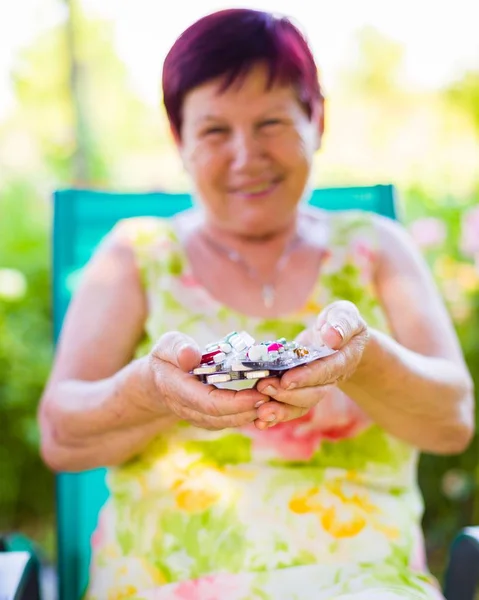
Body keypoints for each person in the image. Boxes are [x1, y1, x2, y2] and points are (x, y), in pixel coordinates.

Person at [39, 8, 474, 600]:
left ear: (316, 118)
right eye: (215, 131)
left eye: (271, 122)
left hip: (364, 580)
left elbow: (453, 422)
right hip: (168, 582)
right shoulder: (135, 255)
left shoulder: (376, 247)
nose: (247, 156)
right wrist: (151, 389)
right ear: (179, 139)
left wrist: (363, 361)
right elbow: (61, 437)